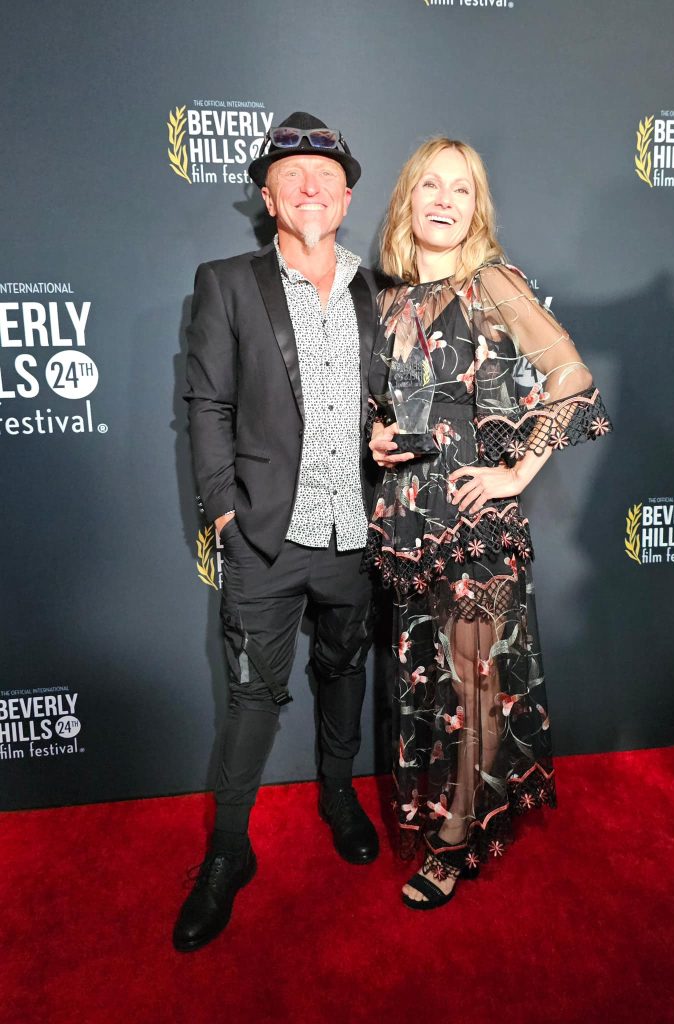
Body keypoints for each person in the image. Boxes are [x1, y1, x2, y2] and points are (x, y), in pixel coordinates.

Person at [364, 138, 612, 909]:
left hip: (474, 525)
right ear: (407, 199)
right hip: (408, 522)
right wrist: (377, 435)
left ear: (477, 209)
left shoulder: (492, 283)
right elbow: (387, 403)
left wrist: (517, 473)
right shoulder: (386, 300)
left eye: (461, 189)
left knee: (475, 685)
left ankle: (456, 838)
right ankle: (443, 810)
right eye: (430, 185)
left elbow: (570, 376)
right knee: (429, 679)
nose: (444, 200)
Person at [174, 112, 379, 952]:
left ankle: (338, 792)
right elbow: (206, 406)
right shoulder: (227, 282)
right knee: (252, 695)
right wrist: (224, 510)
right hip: (264, 535)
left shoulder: (378, 290)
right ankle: (229, 849)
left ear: (348, 197)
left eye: (326, 176)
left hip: (356, 532)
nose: (310, 186)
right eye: (291, 174)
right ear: (268, 196)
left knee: (344, 669)